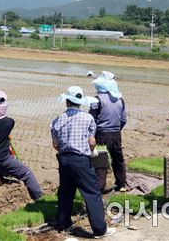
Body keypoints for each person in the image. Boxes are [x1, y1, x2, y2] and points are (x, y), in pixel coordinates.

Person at [51, 86, 116, 238]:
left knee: (66, 192)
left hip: (64, 159)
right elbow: (92, 141)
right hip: (81, 160)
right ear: (80, 103)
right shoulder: (88, 118)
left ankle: (63, 224)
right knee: (92, 193)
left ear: (67, 102)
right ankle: (100, 230)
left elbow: (55, 145)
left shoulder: (57, 120)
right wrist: (91, 149)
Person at [89, 71, 127, 193]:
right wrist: (116, 129)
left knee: (101, 161)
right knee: (118, 159)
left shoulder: (96, 100)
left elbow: (92, 120)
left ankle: (100, 187)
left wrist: (91, 136)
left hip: (101, 134)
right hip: (116, 134)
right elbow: (124, 119)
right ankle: (121, 184)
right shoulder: (120, 100)